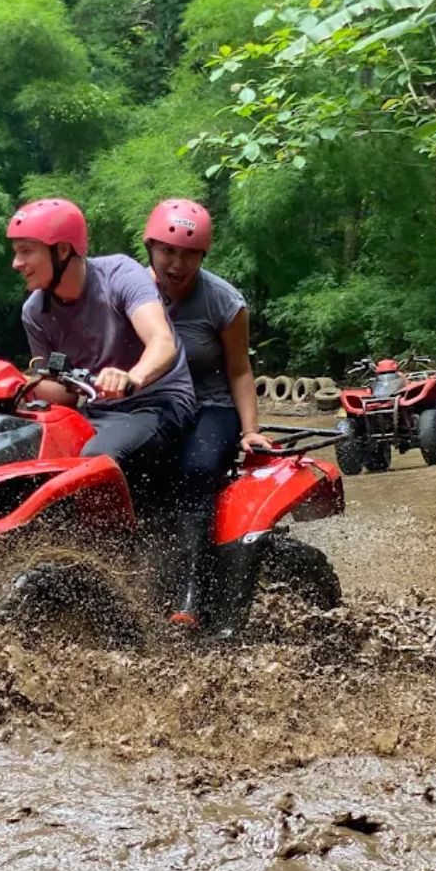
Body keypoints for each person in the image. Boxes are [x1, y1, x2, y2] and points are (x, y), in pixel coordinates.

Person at [143, 198, 273, 629]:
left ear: (202, 256)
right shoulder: (131, 292)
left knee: (197, 471)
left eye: (189, 254)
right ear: (150, 248)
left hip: (210, 406)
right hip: (153, 404)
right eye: (168, 251)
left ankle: (193, 592)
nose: (176, 264)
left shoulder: (223, 301)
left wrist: (250, 430)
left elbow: (239, 370)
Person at [8, 197, 195, 479]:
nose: (16, 263)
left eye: (26, 251)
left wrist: (132, 377)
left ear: (62, 250)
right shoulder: (34, 312)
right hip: (99, 410)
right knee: (26, 451)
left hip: (159, 402)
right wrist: (16, 383)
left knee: (93, 459)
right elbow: (63, 396)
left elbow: (162, 342)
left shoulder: (120, 274)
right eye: (16, 253)